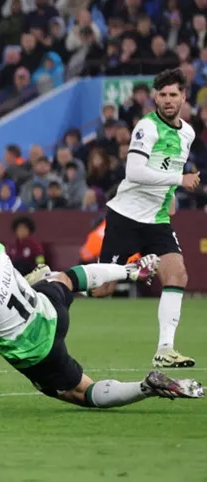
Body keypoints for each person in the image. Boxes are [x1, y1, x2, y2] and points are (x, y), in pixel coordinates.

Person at [0, 213, 204, 419]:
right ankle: (131, 272)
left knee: (83, 393)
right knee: (66, 278)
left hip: (39, 351)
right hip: (47, 308)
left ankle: (146, 387)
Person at [96, 68, 201, 368]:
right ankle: (52, 277)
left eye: (173, 95)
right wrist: (180, 181)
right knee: (101, 289)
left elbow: (165, 165)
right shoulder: (147, 127)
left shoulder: (188, 132)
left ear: (183, 96)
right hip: (125, 215)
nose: (168, 100)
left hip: (156, 219)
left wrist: (169, 199)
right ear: (155, 97)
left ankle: (165, 349)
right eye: (163, 95)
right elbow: (135, 172)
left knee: (178, 273)